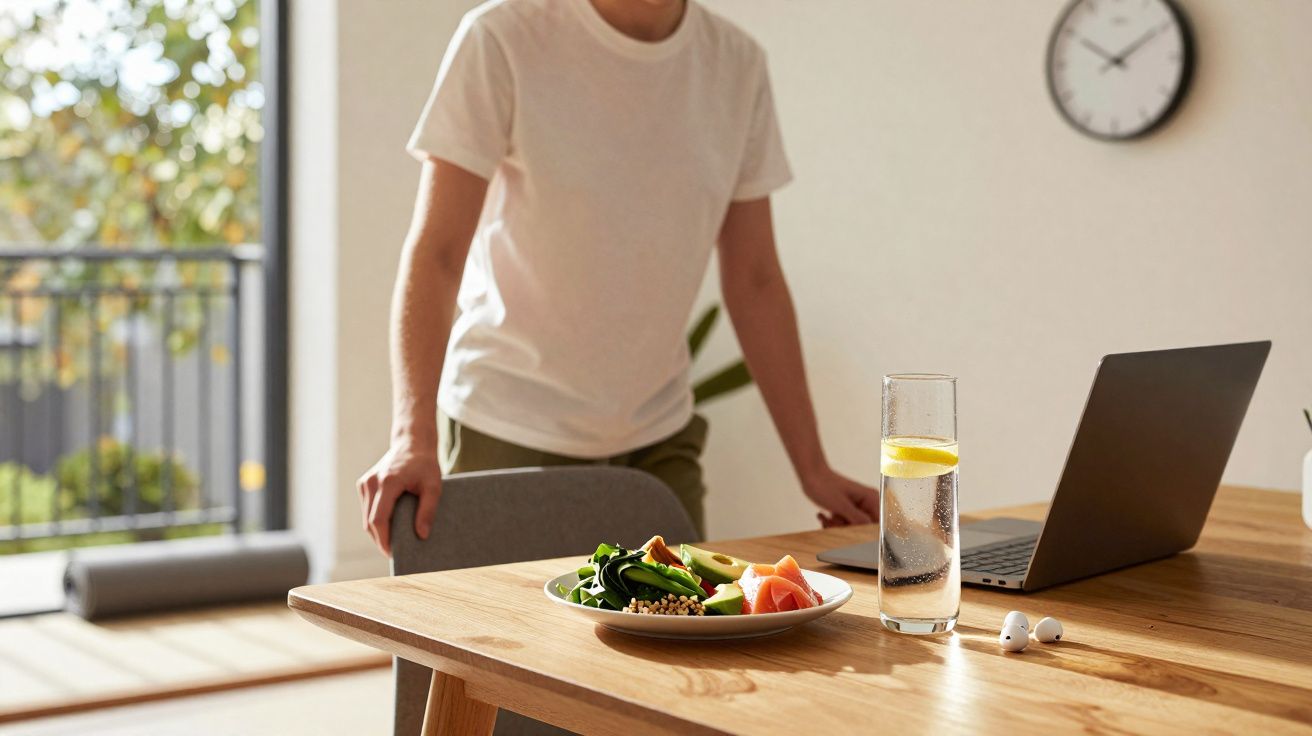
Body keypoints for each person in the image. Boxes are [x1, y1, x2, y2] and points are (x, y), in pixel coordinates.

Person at [357, 0, 879, 556]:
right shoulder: (501, 38)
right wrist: (412, 436)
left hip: (660, 442)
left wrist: (813, 467)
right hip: (510, 429)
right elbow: (437, 254)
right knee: (502, 643)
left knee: (685, 638)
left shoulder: (736, 65)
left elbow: (755, 280)